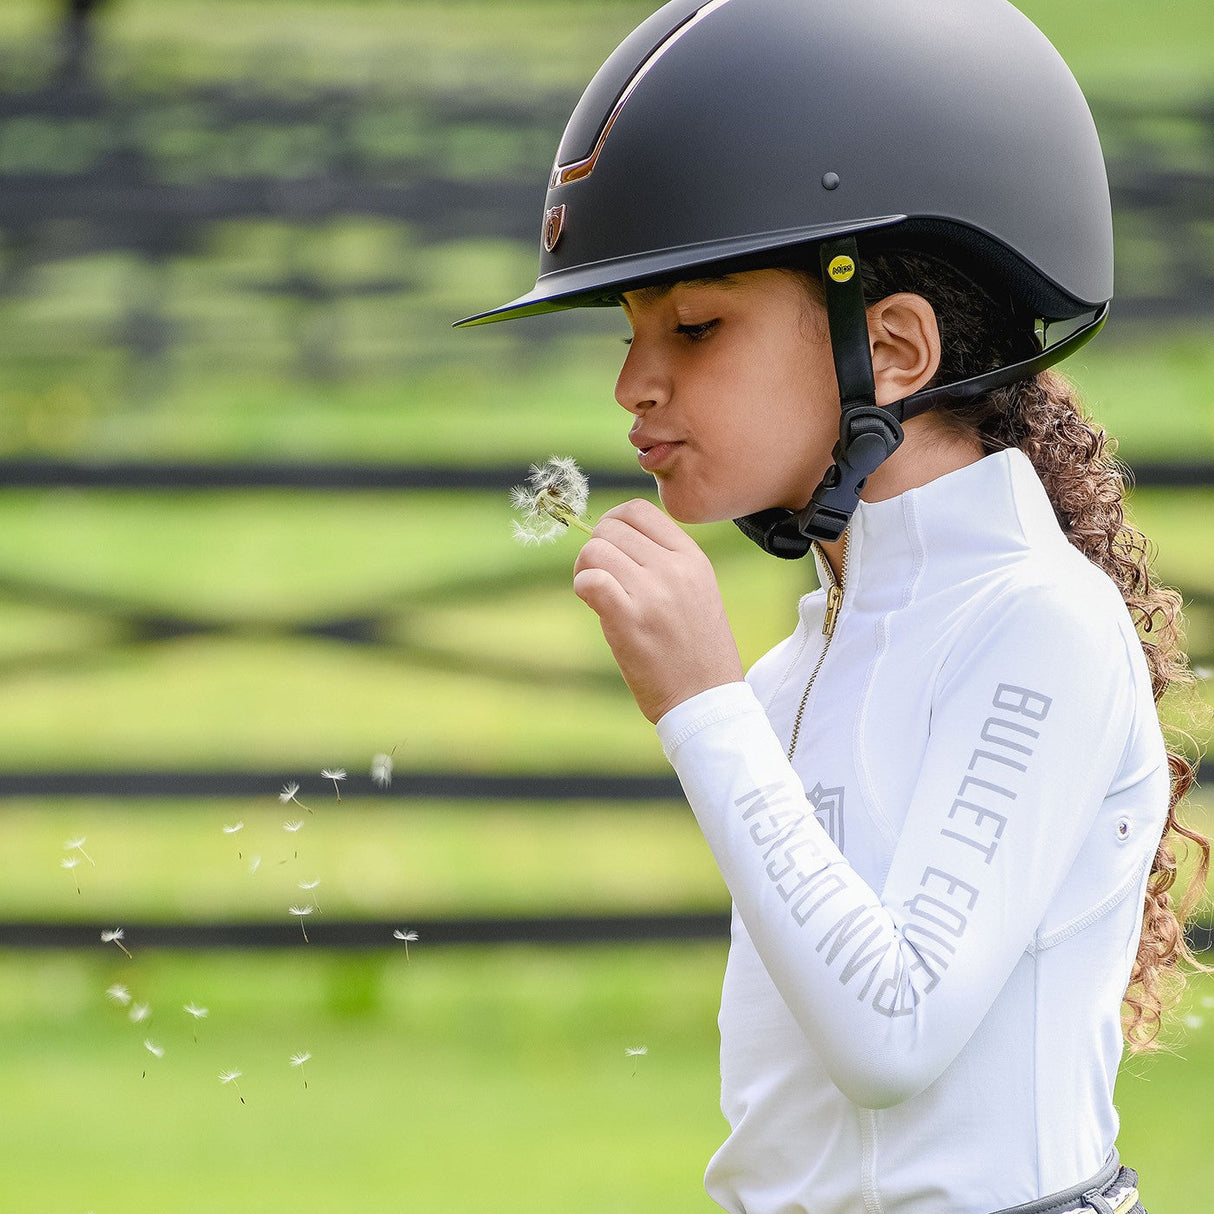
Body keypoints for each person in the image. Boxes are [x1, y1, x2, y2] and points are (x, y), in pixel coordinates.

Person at [456, 1, 1209, 1211]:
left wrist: (699, 703)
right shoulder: (798, 663)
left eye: (694, 326)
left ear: (895, 350)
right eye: (633, 328)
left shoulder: (1040, 627)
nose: (630, 384)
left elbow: (892, 1032)